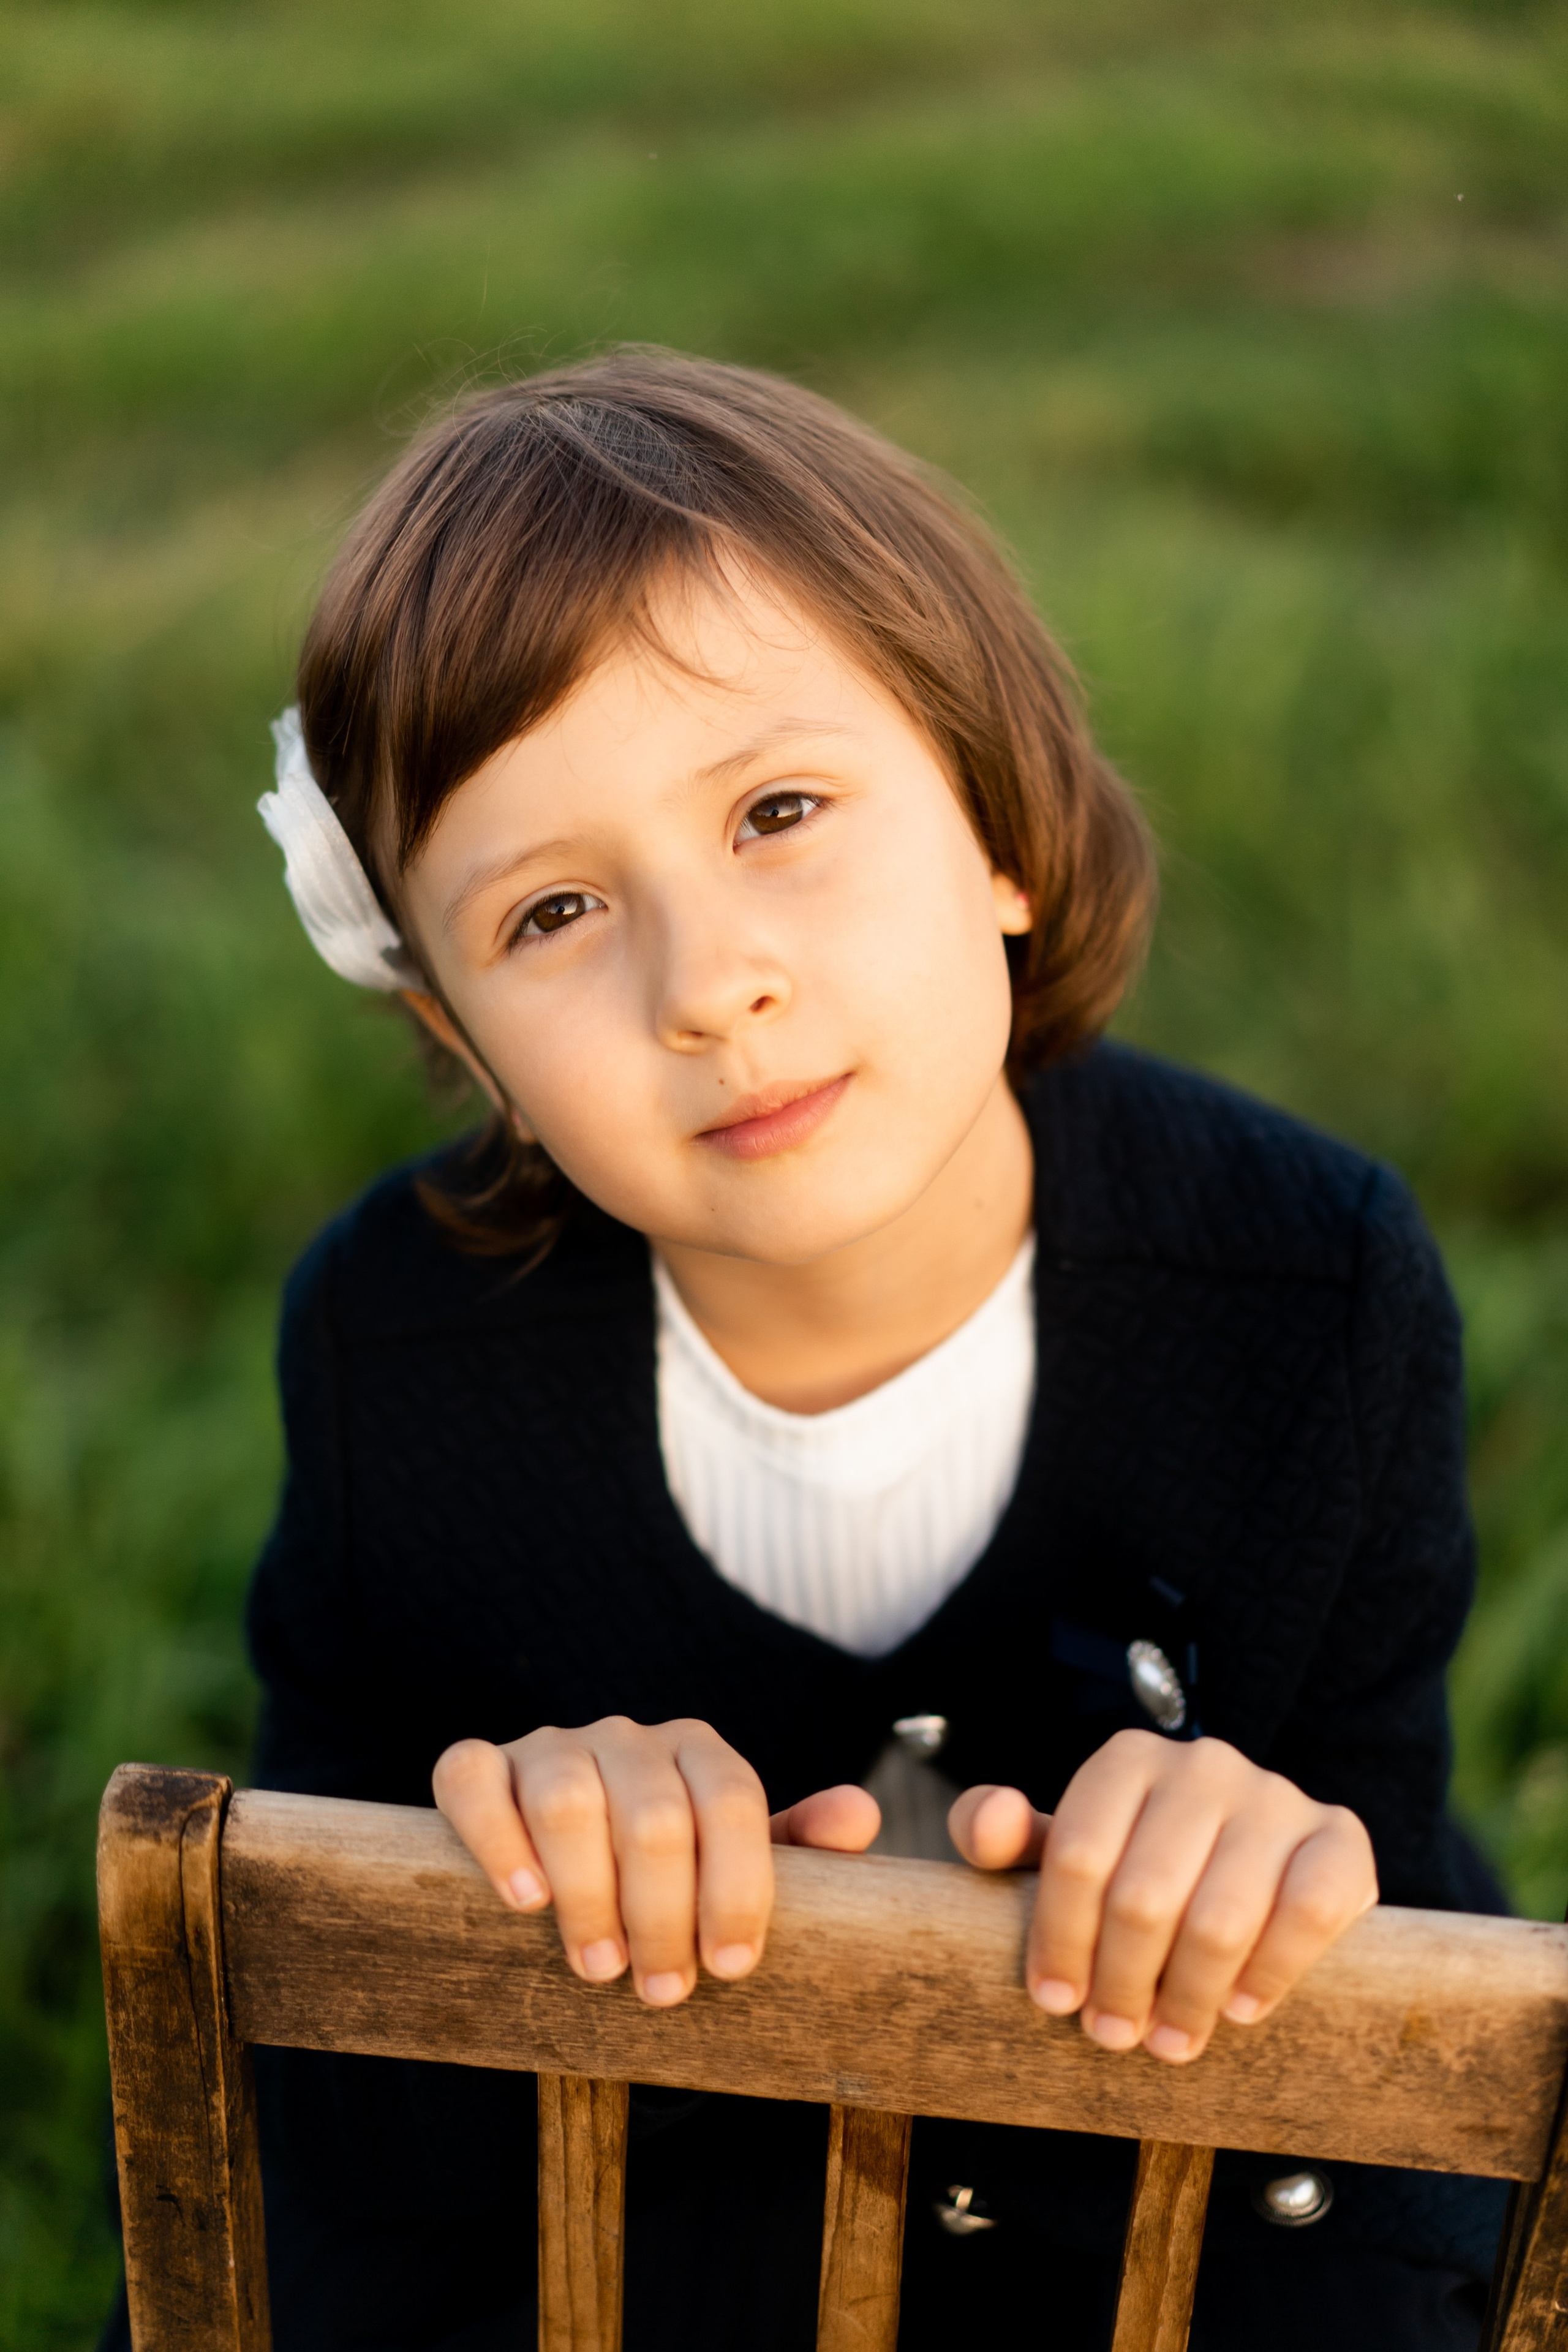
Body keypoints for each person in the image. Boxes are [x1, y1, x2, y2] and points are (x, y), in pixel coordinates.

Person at [224, 353, 1503, 2348]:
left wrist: (1279, 1866)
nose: (710, 982)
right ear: (464, 1037)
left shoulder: (1307, 1287)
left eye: (780, 811)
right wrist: (500, 1864)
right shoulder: (397, 1351)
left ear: (997, 827)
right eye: (553, 911)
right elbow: (322, 2043)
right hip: (658, 2242)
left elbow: (1394, 1979)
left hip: (1144, 2237)